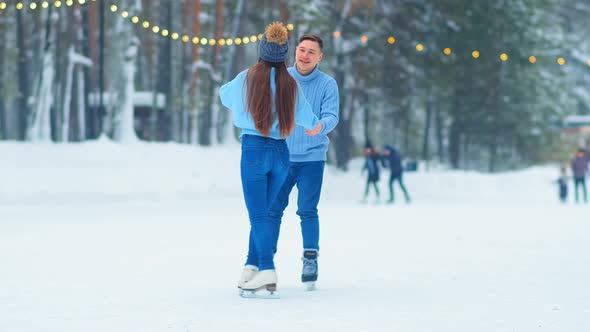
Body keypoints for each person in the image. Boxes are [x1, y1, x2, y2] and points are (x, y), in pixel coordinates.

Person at [219, 22, 322, 295]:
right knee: (263, 214)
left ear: (262, 51)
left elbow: (224, 96)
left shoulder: (246, 77)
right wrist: (316, 126)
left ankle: (266, 267)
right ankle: (251, 266)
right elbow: (309, 118)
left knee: (259, 215)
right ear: (285, 55)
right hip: (281, 154)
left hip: (253, 150)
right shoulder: (291, 84)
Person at [267, 33, 340, 290]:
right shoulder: (281, 78)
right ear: (295, 51)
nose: (305, 55)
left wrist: (320, 126)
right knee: (273, 210)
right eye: (301, 49)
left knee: (307, 210)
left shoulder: (327, 84)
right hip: (282, 156)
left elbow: (332, 115)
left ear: (319, 57)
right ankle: (266, 261)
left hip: (312, 157)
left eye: (311, 51)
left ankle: (310, 258)